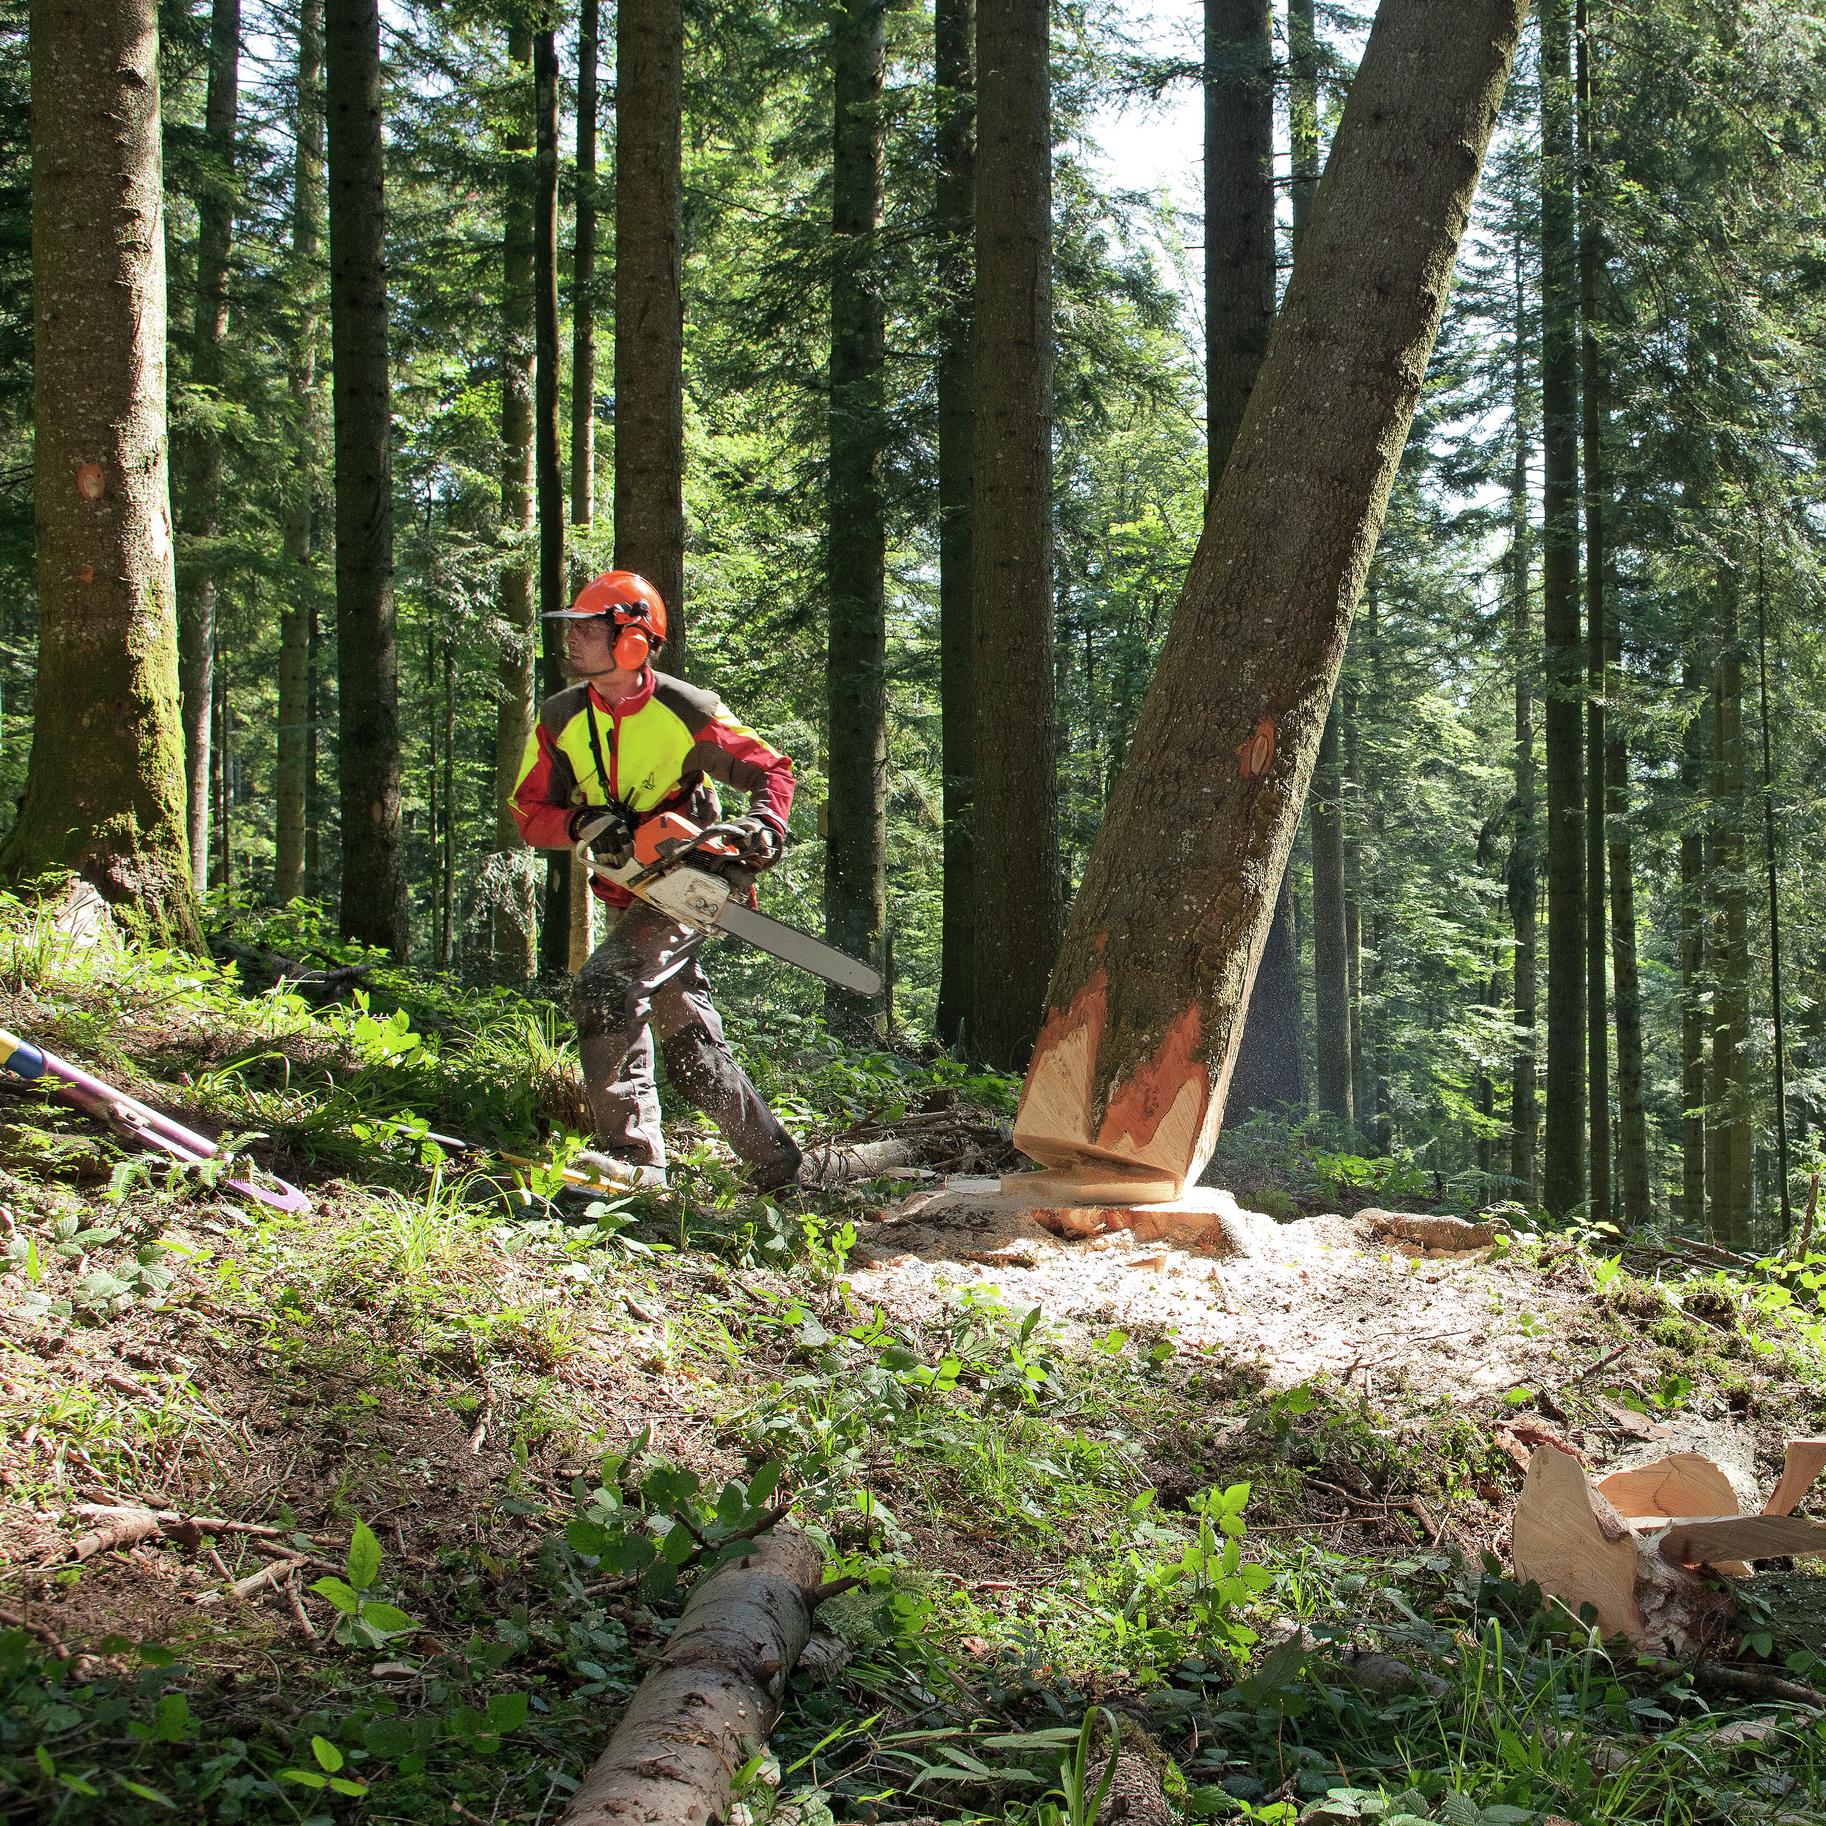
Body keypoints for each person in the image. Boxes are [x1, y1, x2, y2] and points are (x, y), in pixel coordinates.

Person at [509, 569, 804, 1192]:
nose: (574, 641)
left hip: (688, 877)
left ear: (635, 640)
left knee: (605, 987)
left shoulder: (686, 710)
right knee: (686, 1038)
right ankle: (776, 1163)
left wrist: (763, 824)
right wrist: (582, 821)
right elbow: (528, 812)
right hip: (626, 883)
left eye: (589, 629)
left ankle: (634, 1162)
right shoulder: (562, 717)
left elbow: (770, 770)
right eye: (573, 629)